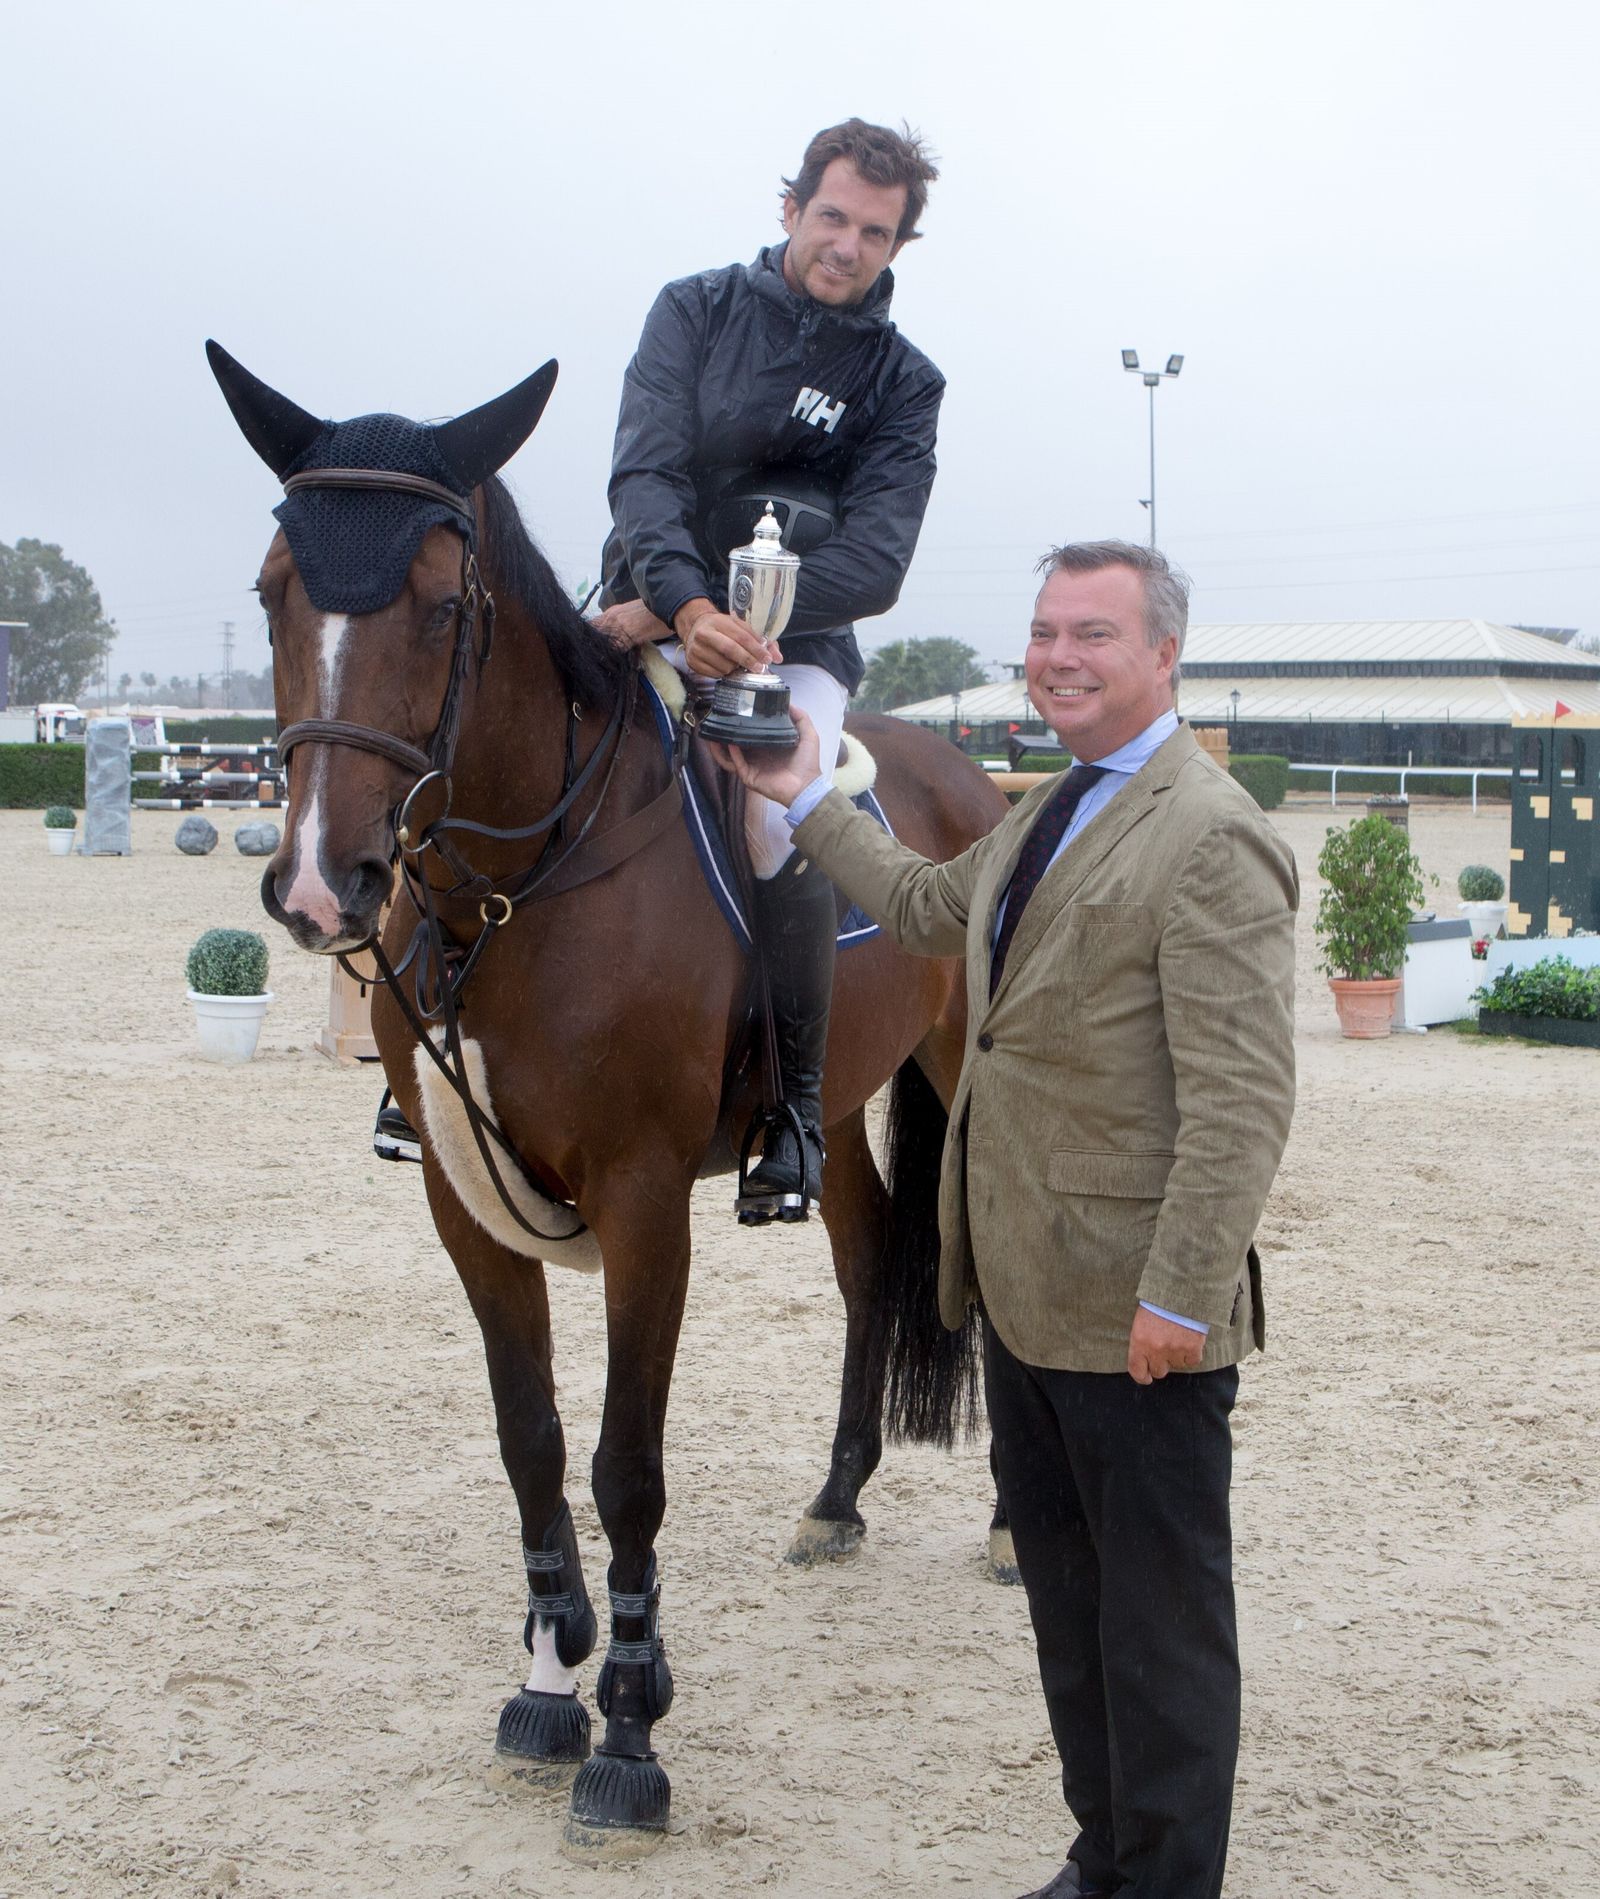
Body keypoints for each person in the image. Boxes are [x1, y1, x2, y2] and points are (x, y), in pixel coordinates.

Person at [712, 541, 1297, 1896]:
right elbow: (925, 904)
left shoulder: (1209, 834)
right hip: (1023, 1295)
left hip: (1137, 1310)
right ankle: (1105, 1855)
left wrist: (1181, 1295)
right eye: (1043, 630)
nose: (1058, 654)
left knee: (1162, 1634)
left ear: (1162, 655)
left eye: (1092, 630)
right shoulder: (1052, 811)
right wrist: (803, 796)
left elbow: (1241, 1104)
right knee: (1078, 1622)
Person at [592, 116, 945, 1222]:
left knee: (774, 819)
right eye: (832, 216)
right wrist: (677, 606)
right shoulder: (690, 311)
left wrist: (737, 616)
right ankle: (430, 1040)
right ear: (790, 208)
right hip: (644, 606)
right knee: (506, 737)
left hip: (796, 646)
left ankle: (792, 1111)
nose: (847, 244)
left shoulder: (905, 382)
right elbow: (644, 475)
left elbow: (877, 559)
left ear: (897, 248)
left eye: (875, 232)